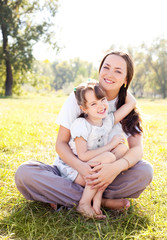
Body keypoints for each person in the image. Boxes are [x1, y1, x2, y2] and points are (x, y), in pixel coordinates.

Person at [15, 51, 153, 216]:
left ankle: (67, 198)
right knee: (25, 174)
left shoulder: (127, 109)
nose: (109, 74)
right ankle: (102, 201)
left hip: (107, 176)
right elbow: (61, 143)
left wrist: (115, 168)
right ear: (99, 70)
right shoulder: (81, 95)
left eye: (118, 71)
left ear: (126, 80)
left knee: (145, 171)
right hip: (71, 171)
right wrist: (83, 168)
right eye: (106, 67)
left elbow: (137, 149)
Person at [55, 80, 135, 218]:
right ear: (84, 109)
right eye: (93, 104)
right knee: (109, 156)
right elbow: (83, 156)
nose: (101, 106)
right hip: (78, 170)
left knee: (122, 149)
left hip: (96, 167)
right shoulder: (81, 125)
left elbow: (131, 103)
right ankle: (84, 203)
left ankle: (98, 197)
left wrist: (119, 85)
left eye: (102, 99)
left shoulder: (107, 121)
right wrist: (110, 145)